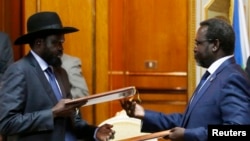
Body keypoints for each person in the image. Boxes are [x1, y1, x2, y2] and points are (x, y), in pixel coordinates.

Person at [120, 17, 250, 141]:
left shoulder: (232, 77)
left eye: (198, 43)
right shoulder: (213, 76)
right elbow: (187, 121)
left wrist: (189, 135)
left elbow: (237, 132)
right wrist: (143, 114)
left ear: (215, 45)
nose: (194, 48)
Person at [0, 11, 115, 141]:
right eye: (55, 43)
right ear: (39, 43)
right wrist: (52, 113)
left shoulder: (61, 72)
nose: (61, 48)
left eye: (62, 42)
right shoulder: (19, 71)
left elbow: (74, 118)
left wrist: (95, 132)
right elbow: (7, 123)